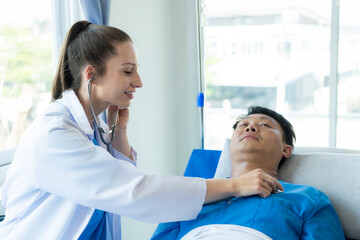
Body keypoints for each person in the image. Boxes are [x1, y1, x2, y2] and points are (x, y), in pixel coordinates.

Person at [0, 22, 284, 239]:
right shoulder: (55, 136)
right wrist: (235, 184)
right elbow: (136, 192)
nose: (138, 81)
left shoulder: (93, 127)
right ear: (92, 74)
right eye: (127, 71)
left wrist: (119, 135)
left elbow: (121, 183)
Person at [151, 106, 345, 240]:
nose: (250, 127)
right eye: (242, 125)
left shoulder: (307, 199)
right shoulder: (192, 192)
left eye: (265, 125)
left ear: (286, 150)